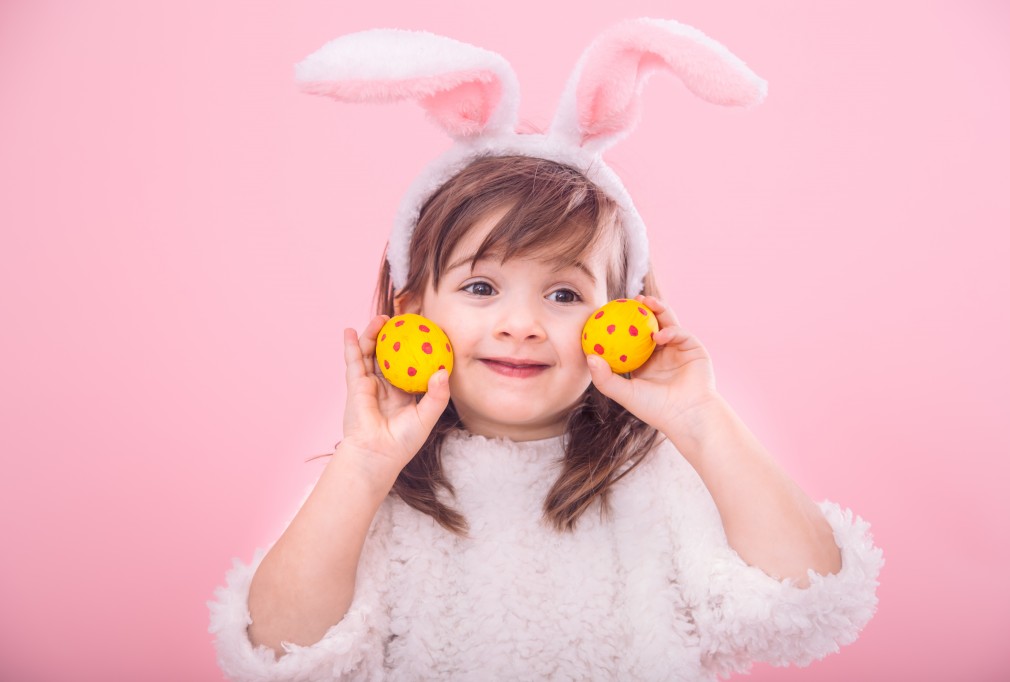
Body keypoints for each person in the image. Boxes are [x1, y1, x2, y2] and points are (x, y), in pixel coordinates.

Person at [208, 20, 883, 682]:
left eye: (563, 295)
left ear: (621, 321)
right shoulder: (375, 486)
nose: (523, 324)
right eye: (481, 286)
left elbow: (811, 599)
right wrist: (361, 466)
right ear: (411, 312)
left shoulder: (658, 479)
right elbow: (276, 652)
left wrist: (701, 419)